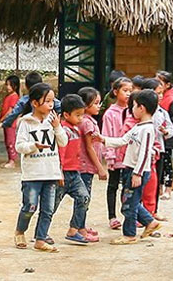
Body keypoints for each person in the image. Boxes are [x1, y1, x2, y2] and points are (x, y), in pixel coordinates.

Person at [102, 89, 163, 245]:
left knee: (129, 204)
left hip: (137, 172)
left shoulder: (148, 130)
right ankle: (150, 222)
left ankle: (129, 235)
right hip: (130, 170)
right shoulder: (138, 127)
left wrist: (138, 173)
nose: (132, 110)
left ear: (141, 108)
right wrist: (102, 139)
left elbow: (145, 154)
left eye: (134, 106)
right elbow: (122, 140)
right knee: (129, 201)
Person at [12, 82, 67, 253]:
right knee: (30, 206)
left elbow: (63, 142)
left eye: (52, 101)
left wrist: (57, 127)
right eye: (47, 101)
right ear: (35, 103)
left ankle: (40, 239)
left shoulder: (53, 121)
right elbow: (19, 146)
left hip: (50, 172)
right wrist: (33, 146)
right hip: (32, 174)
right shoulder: (26, 122)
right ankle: (20, 231)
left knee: (48, 209)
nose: (51, 105)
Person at [55, 94, 97, 245]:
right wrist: (59, 171)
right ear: (66, 115)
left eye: (82, 115)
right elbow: (61, 153)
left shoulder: (76, 129)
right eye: (77, 115)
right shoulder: (63, 131)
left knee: (84, 198)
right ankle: (41, 233)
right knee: (51, 206)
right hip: (63, 173)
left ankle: (73, 230)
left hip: (75, 172)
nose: (81, 119)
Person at [75, 86, 107, 241]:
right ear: (86, 105)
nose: (99, 106)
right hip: (85, 166)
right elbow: (89, 147)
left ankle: (81, 225)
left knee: (84, 198)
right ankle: (78, 228)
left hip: (86, 166)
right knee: (84, 198)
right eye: (96, 103)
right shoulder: (87, 123)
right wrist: (100, 168)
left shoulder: (88, 121)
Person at [101, 76, 133, 229]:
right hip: (116, 154)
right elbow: (107, 134)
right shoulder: (110, 113)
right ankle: (112, 216)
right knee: (113, 185)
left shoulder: (134, 112)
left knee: (128, 187)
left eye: (130, 91)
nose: (128, 94)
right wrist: (110, 156)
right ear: (115, 91)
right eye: (125, 90)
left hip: (130, 156)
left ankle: (128, 214)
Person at [141, 78, 173, 216]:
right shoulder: (141, 111)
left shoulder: (162, 112)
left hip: (158, 150)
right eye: (157, 93)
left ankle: (153, 211)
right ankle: (142, 212)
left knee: (156, 182)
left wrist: (166, 132)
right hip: (144, 151)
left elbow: (171, 129)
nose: (160, 96)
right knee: (144, 183)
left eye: (161, 93)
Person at [156, 71, 173, 201]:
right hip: (158, 137)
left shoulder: (172, 100)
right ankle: (159, 187)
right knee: (160, 163)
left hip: (167, 138)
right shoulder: (158, 97)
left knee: (167, 163)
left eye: (160, 82)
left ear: (167, 85)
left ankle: (168, 188)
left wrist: (167, 132)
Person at [0, 75, 22, 169]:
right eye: (6, 85)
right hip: (7, 122)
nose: (7, 87)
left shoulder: (14, 97)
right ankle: (9, 159)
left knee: (11, 141)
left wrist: (1, 120)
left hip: (10, 123)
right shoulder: (9, 96)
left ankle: (12, 160)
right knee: (7, 141)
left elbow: (10, 111)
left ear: (14, 86)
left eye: (9, 85)